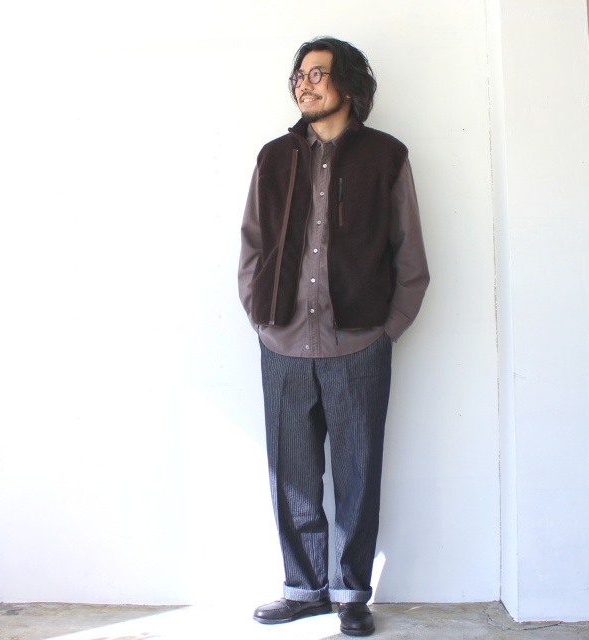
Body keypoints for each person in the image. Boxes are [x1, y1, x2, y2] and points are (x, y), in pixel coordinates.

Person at [238, 36, 429, 637]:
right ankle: (303, 589)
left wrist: (386, 331)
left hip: (359, 344)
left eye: (318, 73)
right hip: (283, 343)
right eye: (299, 75)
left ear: (348, 81)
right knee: (291, 474)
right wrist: (260, 319)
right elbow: (252, 244)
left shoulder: (387, 156)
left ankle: (350, 594)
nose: (305, 83)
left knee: (357, 473)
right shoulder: (273, 157)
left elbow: (410, 254)